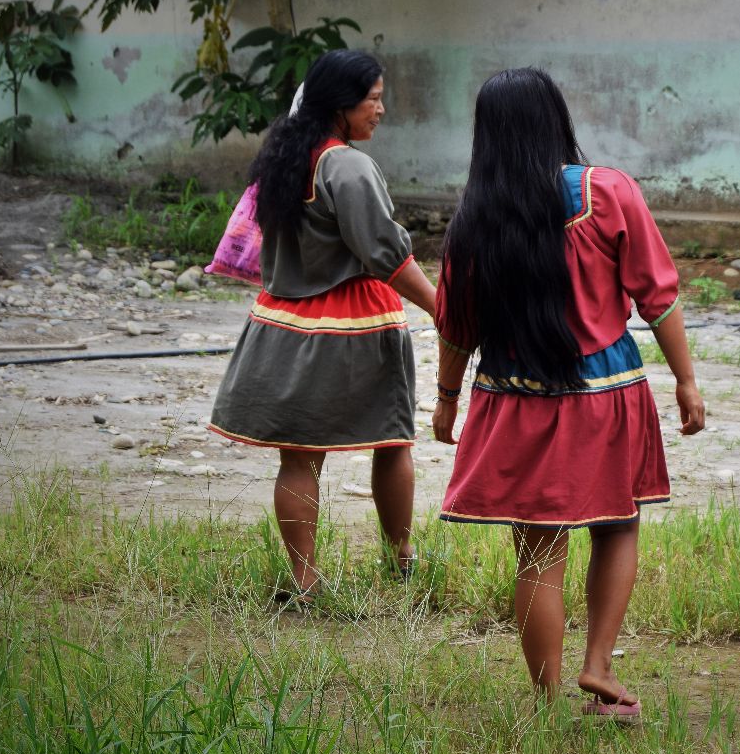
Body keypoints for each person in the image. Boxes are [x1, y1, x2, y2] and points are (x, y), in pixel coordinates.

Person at [431, 68, 705, 718]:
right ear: (557, 120)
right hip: (606, 393)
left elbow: (456, 324)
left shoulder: (476, 214)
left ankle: (546, 699)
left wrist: (445, 398)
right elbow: (657, 296)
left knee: (537, 552)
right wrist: (686, 380)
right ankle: (599, 666)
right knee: (618, 525)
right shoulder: (606, 192)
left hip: (515, 395)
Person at [209, 49, 437, 600]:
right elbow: (384, 253)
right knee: (392, 440)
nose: (382, 109)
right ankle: (400, 556)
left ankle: (304, 580)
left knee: (299, 457)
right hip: (356, 326)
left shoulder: (286, 159)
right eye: (374, 98)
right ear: (341, 104)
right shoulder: (348, 165)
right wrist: (439, 304)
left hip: (287, 325)